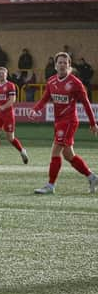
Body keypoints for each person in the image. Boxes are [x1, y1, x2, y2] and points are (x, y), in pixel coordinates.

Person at [29, 52, 98, 194]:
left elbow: (86, 103)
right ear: (55, 66)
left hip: (69, 122)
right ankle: (92, 177)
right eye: (59, 62)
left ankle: (50, 185)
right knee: (68, 155)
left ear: (69, 66)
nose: (62, 65)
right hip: (59, 122)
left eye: (64, 63)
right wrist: (35, 110)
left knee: (55, 151)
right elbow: (44, 99)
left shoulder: (75, 83)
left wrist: (93, 123)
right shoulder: (51, 82)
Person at [0, 67, 29, 165]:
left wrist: (3, 107)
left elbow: (12, 100)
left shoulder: (10, 85)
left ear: (6, 74)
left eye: (3, 73)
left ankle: (22, 151)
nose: (1, 75)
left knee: (10, 138)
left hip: (8, 114)